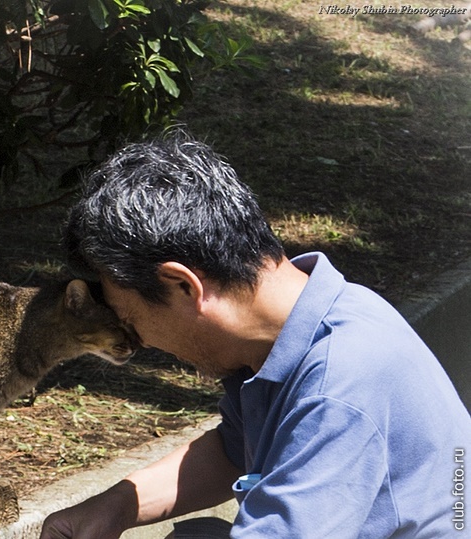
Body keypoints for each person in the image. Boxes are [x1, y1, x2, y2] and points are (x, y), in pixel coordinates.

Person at [40, 129, 471, 538]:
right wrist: (114, 507)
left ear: (184, 286)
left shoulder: (337, 386)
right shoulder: (306, 325)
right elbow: (233, 451)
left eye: (132, 321)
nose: (143, 343)